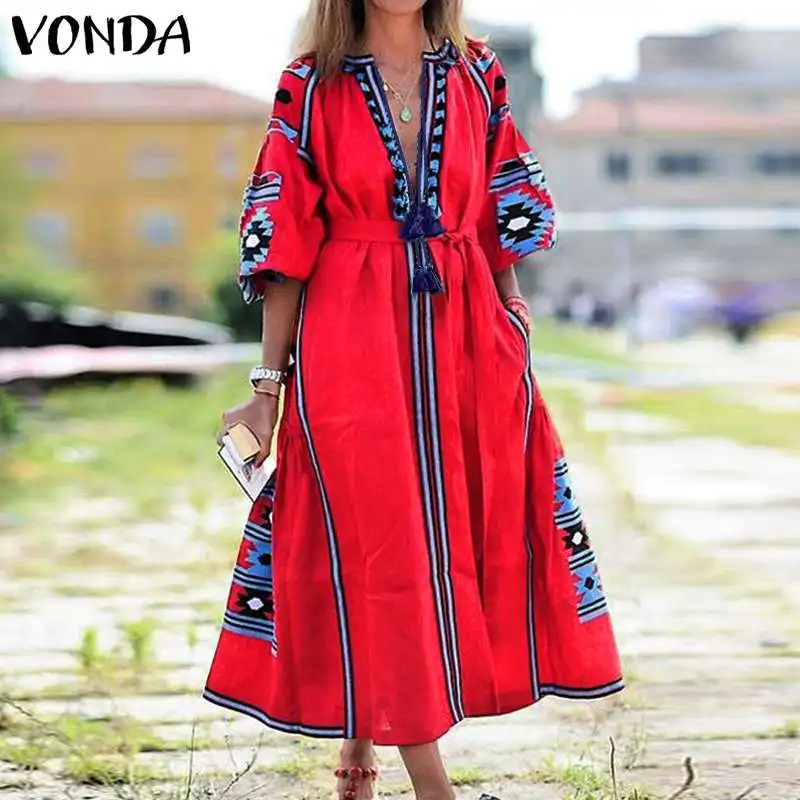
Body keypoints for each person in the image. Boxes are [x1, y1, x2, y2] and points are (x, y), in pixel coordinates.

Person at [206, 2, 623, 798]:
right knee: (381, 539)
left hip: (467, 334)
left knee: (450, 534)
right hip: (350, 335)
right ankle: (435, 787)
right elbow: (284, 237)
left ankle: (360, 741)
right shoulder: (310, 84)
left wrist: (511, 313)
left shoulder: (477, 73)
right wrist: (267, 385)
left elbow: (501, 206)